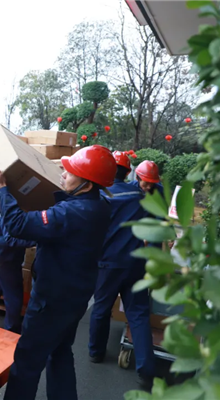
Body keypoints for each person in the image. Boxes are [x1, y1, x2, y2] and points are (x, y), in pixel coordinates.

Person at [0, 145, 116, 400]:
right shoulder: (100, 205)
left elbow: (19, 225)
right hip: (75, 296)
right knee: (60, 352)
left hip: (51, 300)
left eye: (71, 172)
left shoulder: (71, 213)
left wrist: (2, 190)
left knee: (27, 361)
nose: (63, 174)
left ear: (87, 184)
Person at [88, 151, 156, 389]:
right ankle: (146, 370)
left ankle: (96, 352)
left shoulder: (101, 195)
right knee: (138, 315)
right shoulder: (140, 196)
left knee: (101, 309)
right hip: (135, 263)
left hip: (108, 263)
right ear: (129, 173)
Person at [0, 197, 36, 333]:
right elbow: (11, 239)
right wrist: (36, 240)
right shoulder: (9, 206)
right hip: (7, 255)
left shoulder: (3, 201)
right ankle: (12, 328)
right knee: (13, 294)